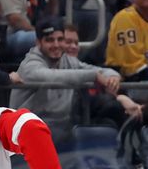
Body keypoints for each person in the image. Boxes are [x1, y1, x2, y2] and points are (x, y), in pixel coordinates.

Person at [12, 18, 141, 149]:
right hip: (27, 133)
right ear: (38, 42)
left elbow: (101, 71)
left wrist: (113, 77)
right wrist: (94, 76)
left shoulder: (67, 61)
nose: (56, 45)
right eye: (50, 40)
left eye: (60, 39)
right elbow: (51, 77)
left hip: (61, 132)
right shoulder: (30, 64)